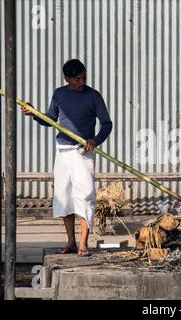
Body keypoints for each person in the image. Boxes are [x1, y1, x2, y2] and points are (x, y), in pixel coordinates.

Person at [22, 59, 113, 257]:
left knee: (86, 194)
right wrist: (34, 113)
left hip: (83, 151)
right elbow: (50, 119)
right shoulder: (59, 94)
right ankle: (71, 242)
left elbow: (107, 124)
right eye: (77, 79)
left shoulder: (94, 96)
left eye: (84, 77)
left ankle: (83, 245)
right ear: (67, 78)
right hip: (63, 150)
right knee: (64, 195)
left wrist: (95, 140)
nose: (82, 81)